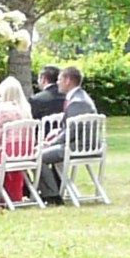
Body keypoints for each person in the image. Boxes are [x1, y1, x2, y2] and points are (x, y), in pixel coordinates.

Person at [40, 66, 98, 202]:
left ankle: (51, 195)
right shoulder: (81, 98)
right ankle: (51, 191)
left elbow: (71, 132)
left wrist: (50, 144)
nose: (57, 83)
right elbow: (69, 128)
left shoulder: (78, 102)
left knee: (39, 156)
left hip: (78, 146)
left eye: (60, 79)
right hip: (80, 144)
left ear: (68, 80)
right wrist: (57, 132)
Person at [0, 76, 34, 203]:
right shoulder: (25, 108)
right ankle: (13, 195)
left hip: (8, 153)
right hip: (26, 151)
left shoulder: (3, 109)